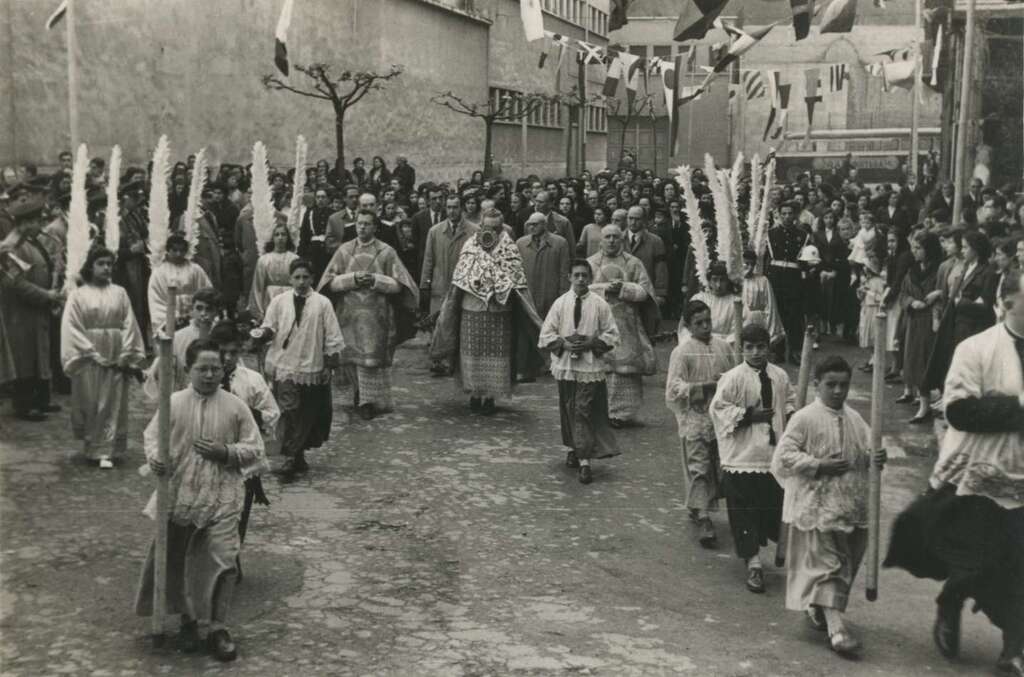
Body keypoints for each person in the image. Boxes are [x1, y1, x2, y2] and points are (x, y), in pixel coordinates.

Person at [884, 271, 1024, 677]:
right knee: (976, 560)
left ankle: (1013, 650)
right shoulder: (976, 349)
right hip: (978, 476)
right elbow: (959, 411)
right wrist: (1017, 406)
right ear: (1008, 302)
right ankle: (951, 601)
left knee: (1019, 563)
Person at [134, 339, 269, 663]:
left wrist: (226, 452)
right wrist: (156, 459)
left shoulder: (235, 406)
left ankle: (218, 627)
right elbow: (153, 439)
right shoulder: (173, 403)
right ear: (188, 369)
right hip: (181, 493)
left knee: (223, 558)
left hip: (222, 493)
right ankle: (189, 621)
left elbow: (256, 449)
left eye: (215, 369)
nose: (209, 375)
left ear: (224, 370)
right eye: (202, 369)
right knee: (182, 560)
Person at [770, 355, 887, 657]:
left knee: (846, 565)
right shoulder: (805, 418)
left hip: (850, 506)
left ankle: (819, 606)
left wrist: (875, 457)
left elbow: (865, 451)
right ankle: (837, 631)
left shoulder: (855, 418)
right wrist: (817, 464)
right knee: (829, 566)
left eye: (843, 385)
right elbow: (783, 457)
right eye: (830, 384)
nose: (837, 391)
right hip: (816, 506)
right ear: (816, 384)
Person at [429, 209, 542, 414]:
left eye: (496, 228)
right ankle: (474, 394)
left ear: (502, 228)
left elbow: (517, 280)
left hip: (500, 311)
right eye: (487, 227)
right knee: (471, 354)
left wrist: (501, 283)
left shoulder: (510, 248)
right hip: (471, 308)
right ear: (481, 227)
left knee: (497, 355)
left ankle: (490, 397)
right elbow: (459, 278)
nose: (491, 232)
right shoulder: (470, 246)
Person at [710, 323, 794, 593]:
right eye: (750, 348)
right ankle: (754, 563)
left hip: (771, 456)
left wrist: (792, 415)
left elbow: (790, 401)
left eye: (761, 347)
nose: (756, 353)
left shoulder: (779, 376)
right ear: (741, 349)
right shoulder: (733, 378)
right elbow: (718, 408)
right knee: (743, 511)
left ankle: (777, 551)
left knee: (769, 506)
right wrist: (748, 415)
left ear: (768, 347)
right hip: (742, 456)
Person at [318, 209, 418, 420]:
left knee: (371, 360)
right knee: (351, 359)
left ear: (375, 227)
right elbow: (329, 283)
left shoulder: (386, 252)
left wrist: (375, 280)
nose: (362, 227)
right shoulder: (344, 250)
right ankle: (357, 393)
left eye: (367, 224)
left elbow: (399, 285)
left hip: (376, 316)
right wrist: (352, 279)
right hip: (348, 316)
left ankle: (368, 401)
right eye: (359, 223)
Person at [256, 258, 344, 479]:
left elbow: (332, 336)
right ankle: (289, 456)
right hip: (285, 364)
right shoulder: (279, 301)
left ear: (312, 278)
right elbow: (270, 325)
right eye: (297, 277)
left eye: (306, 277)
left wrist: (329, 365)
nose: (301, 281)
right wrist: (262, 334)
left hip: (312, 365)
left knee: (307, 413)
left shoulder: (323, 303)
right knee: (289, 411)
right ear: (290, 279)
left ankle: (298, 455)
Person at [60, 246, 146, 468]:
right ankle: (94, 447)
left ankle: (111, 448)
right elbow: (72, 326)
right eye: (101, 263)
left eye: (109, 264)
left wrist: (127, 352)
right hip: (91, 354)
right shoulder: (79, 295)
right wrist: (91, 353)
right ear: (91, 266)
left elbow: (129, 322)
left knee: (114, 399)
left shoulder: (120, 292)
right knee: (93, 399)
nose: (106, 268)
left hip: (116, 350)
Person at [207, 321, 279, 582]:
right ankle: (211, 562)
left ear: (240, 351)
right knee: (210, 513)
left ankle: (231, 558)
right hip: (209, 460)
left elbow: (272, 413)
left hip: (242, 462)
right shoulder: (203, 379)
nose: (227, 358)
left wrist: (248, 415)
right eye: (222, 352)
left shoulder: (252, 380)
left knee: (238, 512)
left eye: (233, 352)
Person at [539, 259, 621, 484]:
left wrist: (592, 343)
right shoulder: (560, 304)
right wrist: (564, 344)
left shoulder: (599, 304)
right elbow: (546, 334)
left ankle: (585, 461)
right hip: (566, 365)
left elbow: (612, 334)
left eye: (585, 275)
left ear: (590, 278)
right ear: (569, 277)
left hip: (589, 366)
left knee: (583, 409)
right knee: (568, 406)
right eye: (576, 275)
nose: (581, 279)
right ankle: (572, 448)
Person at [666, 299, 737, 548]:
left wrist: (725, 382)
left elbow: (735, 376)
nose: (706, 327)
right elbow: (674, 388)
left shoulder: (723, 347)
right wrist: (704, 386)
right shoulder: (682, 352)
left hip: (720, 417)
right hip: (695, 417)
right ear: (688, 326)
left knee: (721, 466)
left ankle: (703, 507)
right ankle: (705, 518)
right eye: (699, 323)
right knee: (699, 466)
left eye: (708, 321)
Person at [587, 224, 658, 427]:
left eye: (615, 237)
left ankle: (622, 415)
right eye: (607, 237)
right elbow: (581, 289)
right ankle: (598, 412)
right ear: (601, 240)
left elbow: (646, 291)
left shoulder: (633, 263)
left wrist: (624, 288)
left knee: (624, 370)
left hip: (627, 325)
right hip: (598, 324)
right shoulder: (590, 263)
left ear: (622, 240)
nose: (611, 240)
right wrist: (605, 288)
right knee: (599, 368)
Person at [0, 194, 63, 421]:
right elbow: (14, 283)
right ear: (24, 223)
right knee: (25, 356)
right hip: (21, 311)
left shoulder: (32, 241)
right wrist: (46, 295)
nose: (41, 225)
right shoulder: (12, 247)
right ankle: (25, 404)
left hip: (36, 308)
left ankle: (40, 399)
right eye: (37, 221)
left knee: (39, 354)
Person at [420, 194, 477, 375]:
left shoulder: (474, 231)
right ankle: (441, 361)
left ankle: (458, 363)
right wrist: (425, 284)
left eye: (455, 207)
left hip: (463, 286)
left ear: (462, 208)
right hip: (440, 285)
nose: (452, 211)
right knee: (440, 325)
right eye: (449, 207)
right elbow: (428, 260)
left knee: (460, 324)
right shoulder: (435, 231)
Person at [516, 212, 570, 381]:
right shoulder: (521, 243)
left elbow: (564, 272)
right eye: (529, 224)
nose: (532, 227)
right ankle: (525, 369)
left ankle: (551, 364)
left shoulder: (560, 243)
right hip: (528, 296)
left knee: (550, 329)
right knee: (525, 332)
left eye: (536, 224)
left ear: (544, 225)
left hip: (550, 294)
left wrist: (563, 296)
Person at [896, 231, 943, 423]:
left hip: (931, 322)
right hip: (914, 321)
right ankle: (923, 404)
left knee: (929, 362)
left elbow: (945, 294)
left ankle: (934, 402)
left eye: (918, 248)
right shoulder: (911, 271)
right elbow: (902, 293)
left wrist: (935, 303)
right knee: (914, 361)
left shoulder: (939, 270)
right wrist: (911, 302)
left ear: (929, 250)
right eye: (913, 248)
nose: (914, 251)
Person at [768, 202, 810, 364]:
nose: (786, 217)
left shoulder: (803, 235)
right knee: (777, 313)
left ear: (795, 215)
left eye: (790, 213)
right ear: (778, 215)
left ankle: (795, 350)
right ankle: (778, 350)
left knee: (794, 314)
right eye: (783, 213)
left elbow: (806, 260)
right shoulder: (770, 234)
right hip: (776, 277)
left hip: (794, 277)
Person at [147, 234, 212, 337]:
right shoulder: (159, 272)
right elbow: (156, 299)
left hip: (194, 315)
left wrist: (196, 312)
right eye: (175, 250)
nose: (178, 254)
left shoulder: (195, 269)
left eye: (182, 251)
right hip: (170, 316)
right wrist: (172, 318)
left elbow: (206, 292)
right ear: (168, 250)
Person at [248, 224, 299, 322]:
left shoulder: (294, 259)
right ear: (272, 238)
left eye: (283, 234)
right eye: (277, 234)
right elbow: (258, 287)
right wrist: (259, 312)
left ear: (288, 237)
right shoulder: (264, 260)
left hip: (289, 298)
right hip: (270, 298)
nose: (280, 238)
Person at [740, 250, 786, 350]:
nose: (750, 268)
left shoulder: (763, 281)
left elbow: (770, 307)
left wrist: (770, 331)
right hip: (740, 322)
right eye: (746, 264)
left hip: (759, 322)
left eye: (752, 264)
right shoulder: (736, 282)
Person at [687, 261, 742, 345]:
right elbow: (686, 327)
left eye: (722, 280)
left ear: (728, 281)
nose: (718, 285)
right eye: (714, 279)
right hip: (699, 344)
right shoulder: (699, 299)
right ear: (709, 281)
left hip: (726, 346)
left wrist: (718, 345)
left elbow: (737, 332)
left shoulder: (736, 302)